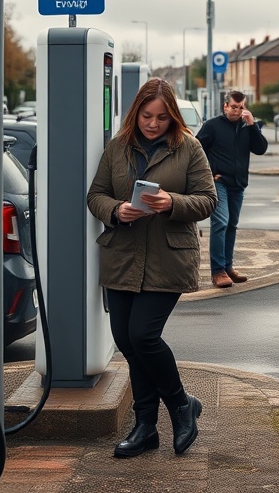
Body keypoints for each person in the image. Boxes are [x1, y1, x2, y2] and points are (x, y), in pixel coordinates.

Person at [87, 78, 217, 458]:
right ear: (136, 112)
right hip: (121, 256)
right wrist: (115, 210)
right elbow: (95, 195)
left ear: (172, 115)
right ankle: (145, 426)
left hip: (168, 258)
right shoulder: (117, 148)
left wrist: (171, 202)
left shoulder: (189, 148)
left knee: (143, 336)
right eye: (147, 116)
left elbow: (208, 200)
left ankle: (180, 406)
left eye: (161, 117)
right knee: (127, 342)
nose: (153, 124)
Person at [195, 90, 268, 288]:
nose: (237, 111)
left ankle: (227, 267)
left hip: (238, 184)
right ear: (225, 106)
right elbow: (195, 149)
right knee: (221, 222)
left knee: (231, 226)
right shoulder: (212, 126)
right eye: (233, 107)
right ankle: (217, 271)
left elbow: (260, 149)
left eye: (241, 107)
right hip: (218, 183)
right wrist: (209, 172)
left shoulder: (247, 126)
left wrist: (252, 125)